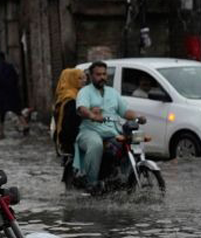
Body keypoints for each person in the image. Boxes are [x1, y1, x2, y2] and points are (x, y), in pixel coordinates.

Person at [74, 61, 147, 190]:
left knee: (134, 140)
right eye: (98, 74)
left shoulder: (112, 92)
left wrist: (137, 117)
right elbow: (82, 109)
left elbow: (124, 111)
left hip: (112, 132)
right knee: (96, 144)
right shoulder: (84, 92)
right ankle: (92, 183)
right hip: (90, 131)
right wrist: (92, 116)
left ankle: (124, 176)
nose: (102, 77)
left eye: (104, 74)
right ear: (91, 76)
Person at [0, 51, 26, 139]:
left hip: (2, 94)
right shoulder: (10, 67)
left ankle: (1, 133)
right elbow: (16, 78)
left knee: (2, 114)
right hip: (12, 92)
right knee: (17, 110)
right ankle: (25, 125)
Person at [52, 68, 86, 156]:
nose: (84, 81)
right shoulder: (70, 98)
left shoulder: (72, 94)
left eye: (84, 78)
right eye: (79, 78)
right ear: (71, 80)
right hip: (71, 140)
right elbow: (70, 124)